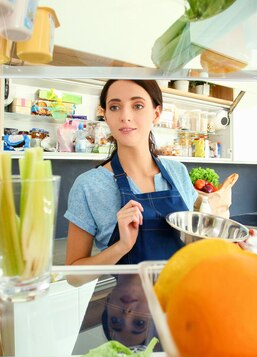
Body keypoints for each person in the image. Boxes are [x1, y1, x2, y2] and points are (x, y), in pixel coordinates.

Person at [64, 80, 197, 269]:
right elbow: (74, 275)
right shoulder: (89, 185)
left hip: (184, 295)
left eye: (138, 106)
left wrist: (226, 248)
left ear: (156, 113)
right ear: (106, 115)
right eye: (115, 107)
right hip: (127, 298)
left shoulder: (178, 172)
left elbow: (191, 246)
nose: (125, 116)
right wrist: (122, 246)